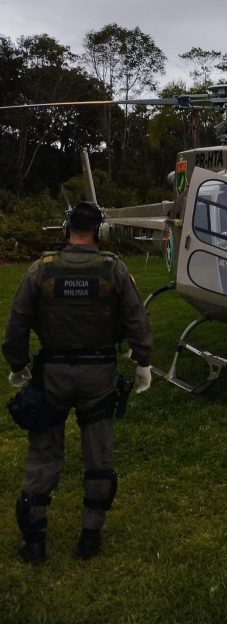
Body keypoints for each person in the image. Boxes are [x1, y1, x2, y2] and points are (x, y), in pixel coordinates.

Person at [2, 201, 153, 564]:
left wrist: (18, 365)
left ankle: (35, 541)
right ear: (99, 232)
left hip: (52, 374)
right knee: (98, 454)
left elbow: (18, 321)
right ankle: (90, 536)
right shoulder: (113, 269)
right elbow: (136, 319)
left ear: (68, 229)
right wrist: (142, 361)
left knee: (43, 455)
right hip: (98, 374)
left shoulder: (41, 269)